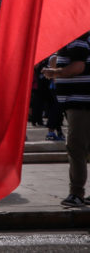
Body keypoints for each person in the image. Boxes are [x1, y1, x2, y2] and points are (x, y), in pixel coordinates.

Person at [43, 32, 90, 208]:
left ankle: (76, 193)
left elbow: (78, 67)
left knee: (76, 147)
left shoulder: (78, 40)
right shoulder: (78, 40)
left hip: (81, 103)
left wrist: (54, 72)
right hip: (79, 102)